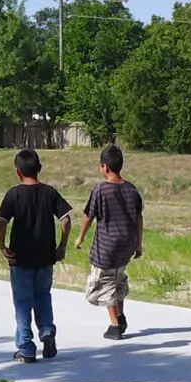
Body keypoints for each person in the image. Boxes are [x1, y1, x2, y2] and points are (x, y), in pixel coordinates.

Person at [0, 148, 72, 363]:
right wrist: (62, 245)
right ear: (39, 169)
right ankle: (47, 330)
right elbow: (65, 219)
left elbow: (1, 221)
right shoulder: (50, 192)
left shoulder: (14, 194)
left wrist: (2, 246)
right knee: (43, 296)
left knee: (22, 302)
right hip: (45, 256)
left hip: (20, 257)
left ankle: (27, 347)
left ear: (18, 172)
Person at [78, 144, 144, 340]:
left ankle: (115, 325)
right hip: (127, 244)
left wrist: (80, 236)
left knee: (102, 284)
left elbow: (89, 215)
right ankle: (121, 316)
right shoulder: (131, 189)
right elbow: (139, 217)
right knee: (117, 278)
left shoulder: (101, 188)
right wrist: (138, 243)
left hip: (107, 246)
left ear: (105, 167)